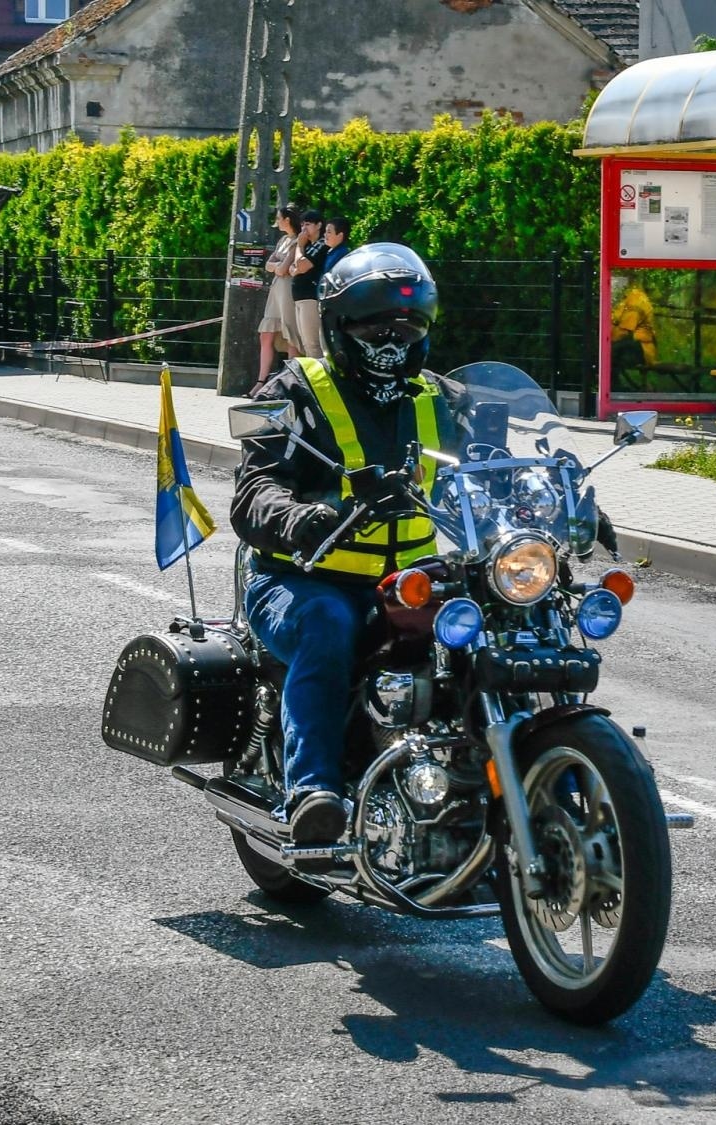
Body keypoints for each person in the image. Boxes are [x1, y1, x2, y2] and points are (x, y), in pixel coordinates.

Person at [231, 242, 470, 845]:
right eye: (374, 327)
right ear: (339, 326)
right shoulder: (291, 391)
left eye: (408, 327)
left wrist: (566, 504)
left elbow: (493, 471)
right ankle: (313, 792)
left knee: (495, 624)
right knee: (328, 623)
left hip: (411, 584)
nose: (392, 340)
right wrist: (299, 517)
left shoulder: (445, 400)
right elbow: (253, 489)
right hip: (302, 579)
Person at [254, 205, 301, 395]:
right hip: (276, 289)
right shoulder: (283, 240)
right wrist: (278, 266)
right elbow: (269, 265)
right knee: (266, 334)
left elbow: (282, 268)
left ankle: (291, 381)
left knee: (290, 334)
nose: (277, 222)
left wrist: (277, 266)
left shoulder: (298, 241)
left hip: (288, 290)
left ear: (287, 220)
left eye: (279, 218)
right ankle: (261, 381)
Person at [289, 210, 329, 359]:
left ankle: (319, 372)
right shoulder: (308, 246)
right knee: (306, 344)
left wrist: (299, 246)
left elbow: (301, 265)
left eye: (307, 224)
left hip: (310, 297)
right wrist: (297, 267)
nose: (303, 229)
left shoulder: (321, 244)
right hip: (299, 298)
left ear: (318, 225)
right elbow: (292, 269)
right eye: (302, 225)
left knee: (313, 343)